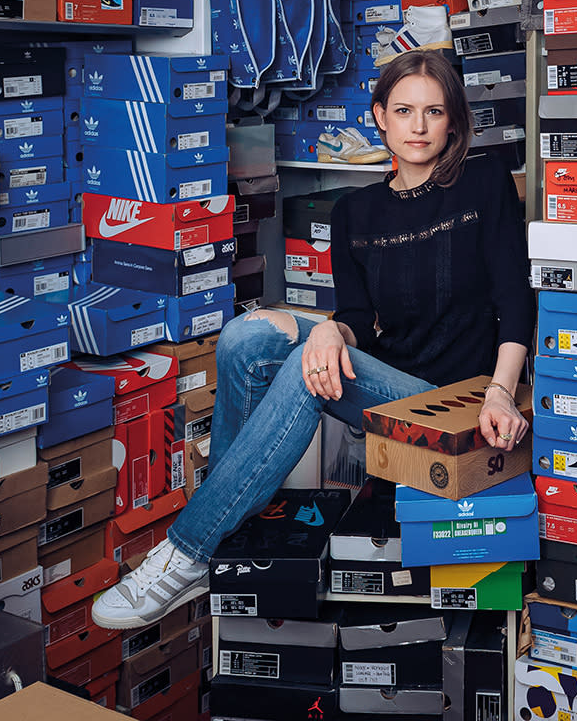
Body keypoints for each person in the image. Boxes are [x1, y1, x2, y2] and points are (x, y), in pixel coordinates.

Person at [92, 49, 535, 630]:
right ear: (380, 116)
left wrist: (501, 391)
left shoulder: (484, 182)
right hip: (389, 388)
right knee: (243, 338)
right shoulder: (356, 211)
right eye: (404, 111)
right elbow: (356, 314)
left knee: (305, 363)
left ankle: (189, 551)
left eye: (434, 111)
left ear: (453, 119)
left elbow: (514, 300)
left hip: (457, 404)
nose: (419, 126)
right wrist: (329, 327)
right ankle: (230, 529)